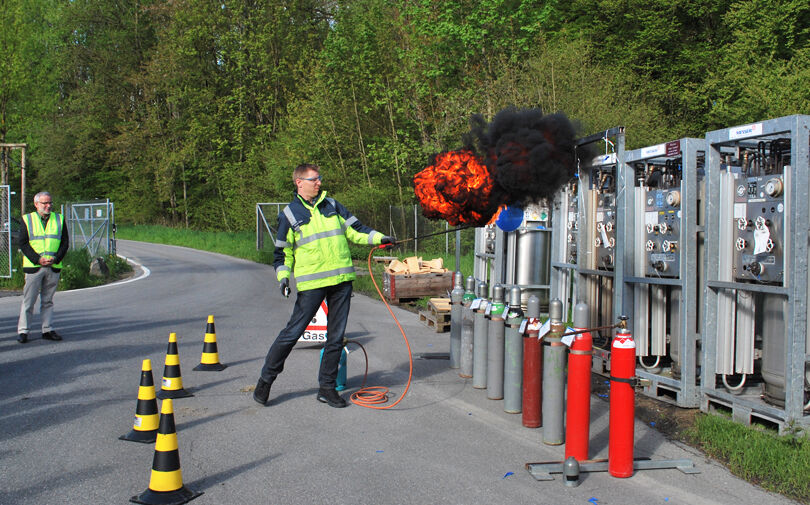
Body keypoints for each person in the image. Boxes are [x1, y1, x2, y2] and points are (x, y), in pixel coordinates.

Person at [254, 164, 395, 408]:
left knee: (336, 337)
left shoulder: (332, 205)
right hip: (312, 284)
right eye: (314, 179)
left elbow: (357, 231)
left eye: (319, 178)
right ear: (299, 182)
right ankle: (265, 381)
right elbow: (282, 253)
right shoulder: (289, 214)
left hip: (341, 282)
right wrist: (283, 278)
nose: (318, 183)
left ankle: (327, 388)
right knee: (292, 333)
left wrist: (380, 238)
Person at [17, 191, 69, 343]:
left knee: (48, 300)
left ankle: (47, 329)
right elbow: (23, 243)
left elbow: (65, 242)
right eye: (44, 203)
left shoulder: (59, 218)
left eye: (50, 203)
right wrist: (37, 259)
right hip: (34, 266)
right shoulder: (27, 219)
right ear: (36, 204)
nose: (48, 206)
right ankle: (23, 331)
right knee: (29, 300)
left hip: (53, 265)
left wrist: (56, 258)